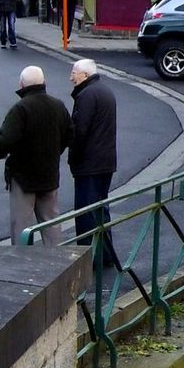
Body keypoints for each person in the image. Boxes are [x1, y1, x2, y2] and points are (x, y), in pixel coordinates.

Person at [0, 66, 71, 245]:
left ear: (22, 84)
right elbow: (69, 135)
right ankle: (57, 264)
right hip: (49, 174)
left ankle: (23, 267)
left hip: (23, 176)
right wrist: (55, 151)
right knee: (51, 224)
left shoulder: (20, 109)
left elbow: (4, 142)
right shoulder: (58, 105)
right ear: (43, 82)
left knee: (22, 227)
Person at [68, 59, 119, 261]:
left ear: (85, 75)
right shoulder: (104, 91)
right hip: (105, 161)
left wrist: (74, 158)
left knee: (86, 213)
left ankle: (89, 258)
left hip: (89, 163)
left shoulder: (86, 95)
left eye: (74, 73)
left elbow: (80, 131)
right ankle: (105, 255)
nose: (71, 77)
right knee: (100, 210)